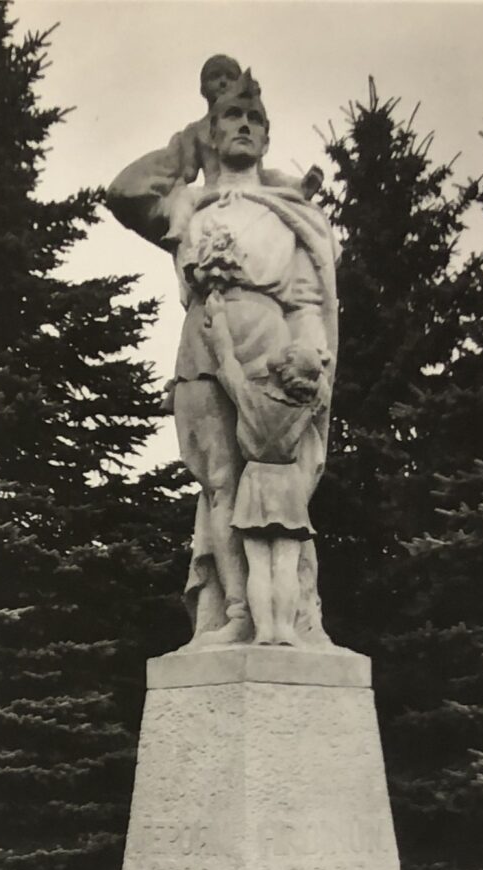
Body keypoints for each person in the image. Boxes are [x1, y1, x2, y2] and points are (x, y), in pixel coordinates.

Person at [108, 68, 339, 648]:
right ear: (211, 132)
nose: (243, 126)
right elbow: (124, 190)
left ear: (267, 136)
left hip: (270, 349)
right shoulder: (189, 204)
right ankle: (235, 611)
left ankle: (289, 619)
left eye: (254, 119)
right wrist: (191, 148)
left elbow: (308, 299)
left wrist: (312, 360)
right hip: (203, 344)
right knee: (219, 482)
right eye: (230, 118)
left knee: (277, 486)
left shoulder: (289, 211)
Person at [203, 290, 331, 645]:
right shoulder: (307, 406)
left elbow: (226, 360)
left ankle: (263, 632)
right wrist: (317, 363)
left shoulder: (250, 397)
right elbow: (322, 386)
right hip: (288, 483)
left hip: (256, 480)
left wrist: (220, 318)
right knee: (286, 564)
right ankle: (286, 631)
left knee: (258, 565)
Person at [106, 55, 323, 253]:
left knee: (273, 177)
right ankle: (177, 231)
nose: (222, 82)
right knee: (185, 199)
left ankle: (300, 187)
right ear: (202, 89)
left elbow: (260, 170)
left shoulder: (247, 126)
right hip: (213, 189)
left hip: (251, 185)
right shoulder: (195, 130)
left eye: (230, 77)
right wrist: (179, 185)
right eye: (215, 76)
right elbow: (188, 170)